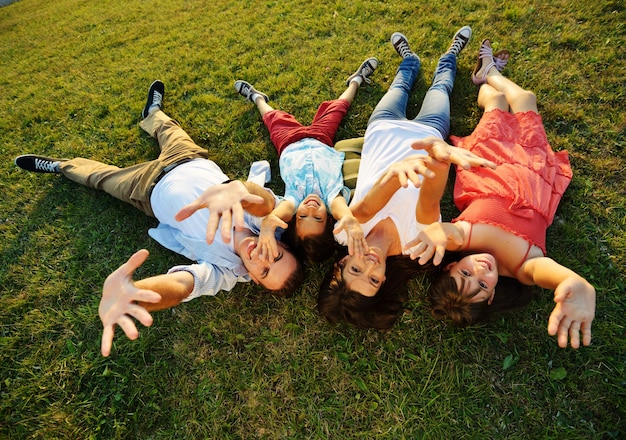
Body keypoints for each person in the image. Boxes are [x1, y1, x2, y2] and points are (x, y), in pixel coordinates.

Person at [14, 80, 304, 356]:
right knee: (167, 127)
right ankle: (152, 112)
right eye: (276, 256)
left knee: (100, 178)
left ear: (252, 279)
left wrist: (137, 293)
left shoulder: (226, 271)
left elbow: (185, 285)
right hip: (189, 158)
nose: (264, 259)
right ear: (282, 243)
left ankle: (63, 166)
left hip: (145, 190)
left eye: (264, 272)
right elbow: (266, 202)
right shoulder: (265, 222)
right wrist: (239, 189)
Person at [405, 39, 596, 349]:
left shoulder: (463, 239)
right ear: (493, 295)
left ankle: (488, 75)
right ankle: (489, 70)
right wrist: (577, 284)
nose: (480, 270)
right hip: (532, 169)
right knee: (525, 99)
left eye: (465, 272)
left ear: (451, 265)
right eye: (481, 285)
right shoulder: (524, 268)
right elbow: (556, 275)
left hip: (490, 163)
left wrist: (433, 229)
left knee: (496, 103)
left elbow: (442, 232)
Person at [317, 26, 496, 330]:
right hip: (428, 134)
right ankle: (451, 55)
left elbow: (370, 205)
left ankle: (409, 58)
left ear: (342, 264)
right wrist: (440, 159)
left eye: (356, 269)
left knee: (401, 83)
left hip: (382, 130)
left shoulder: (347, 232)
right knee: (441, 88)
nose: (370, 265)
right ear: (384, 280)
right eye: (373, 279)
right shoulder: (416, 245)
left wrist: (395, 174)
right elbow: (430, 197)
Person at [232, 57, 378, 263]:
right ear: (328, 218)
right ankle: (356, 80)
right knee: (338, 107)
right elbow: (341, 210)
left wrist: (268, 226)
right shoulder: (330, 196)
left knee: (272, 117)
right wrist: (349, 219)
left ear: (293, 217)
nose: (310, 209)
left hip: (288, 143)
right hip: (321, 139)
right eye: (317, 217)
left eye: (302, 217)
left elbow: (278, 214)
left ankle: (257, 98)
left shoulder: (294, 199)